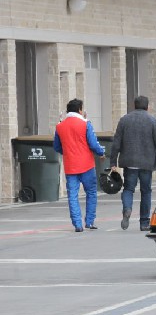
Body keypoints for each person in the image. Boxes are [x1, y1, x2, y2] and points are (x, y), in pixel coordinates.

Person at [110, 95, 156, 231]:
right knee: (146, 191)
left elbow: (116, 143)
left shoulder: (124, 120)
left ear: (134, 106)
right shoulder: (153, 121)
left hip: (129, 162)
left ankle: (127, 208)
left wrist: (113, 161)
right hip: (147, 163)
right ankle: (144, 222)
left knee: (128, 189)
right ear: (147, 107)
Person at [53, 98, 105, 232]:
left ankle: (77, 224)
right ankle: (89, 221)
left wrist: (68, 152)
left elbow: (57, 147)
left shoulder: (60, 126)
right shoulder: (86, 124)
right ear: (80, 110)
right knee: (91, 192)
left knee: (72, 196)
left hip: (70, 166)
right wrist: (101, 153)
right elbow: (93, 144)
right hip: (87, 165)